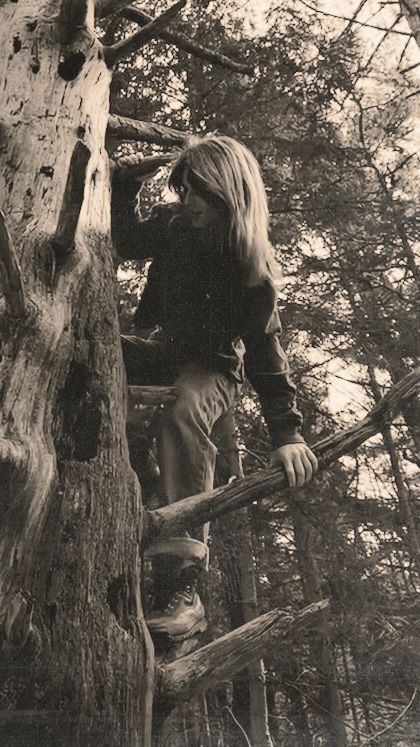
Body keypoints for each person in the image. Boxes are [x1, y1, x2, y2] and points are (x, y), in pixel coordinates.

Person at [112, 134, 318, 640]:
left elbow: (268, 356)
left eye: (198, 192)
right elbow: (128, 240)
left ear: (229, 193)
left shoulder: (252, 268)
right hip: (159, 350)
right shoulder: (176, 225)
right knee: (95, 365)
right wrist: (123, 185)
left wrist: (288, 434)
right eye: (183, 191)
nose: (188, 203)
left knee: (183, 412)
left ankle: (182, 587)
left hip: (214, 370)